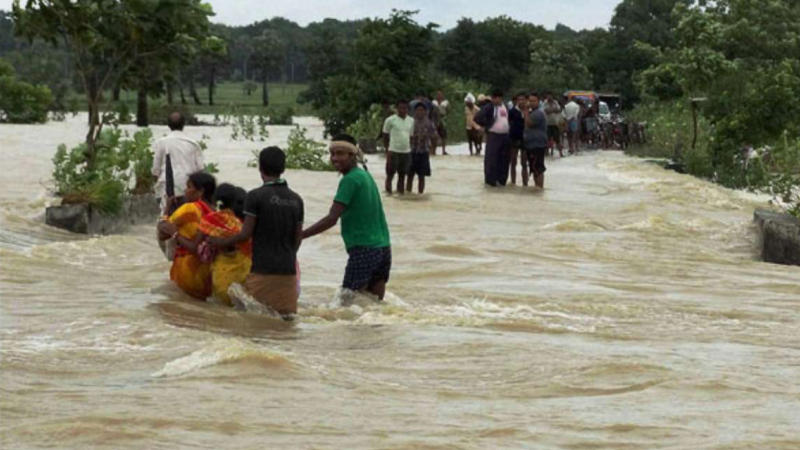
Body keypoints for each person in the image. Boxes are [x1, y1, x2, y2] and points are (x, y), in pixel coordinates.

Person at [208, 147, 304, 318]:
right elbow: (297, 239)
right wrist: (286, 256)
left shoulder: (255, 196)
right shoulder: (297, 199)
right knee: (286, 325)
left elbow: (245, 234)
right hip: (288, 273)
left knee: (256, 324)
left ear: (260, 168)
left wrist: (219, 242)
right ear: (283, 169)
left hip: (263, 271)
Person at [302, 134, 391, 302]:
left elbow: (332, 218)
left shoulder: (350, 180)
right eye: (332, 154)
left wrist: (301, 235)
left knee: (347, 303)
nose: (335, 158)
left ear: (352, 155)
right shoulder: (365, 176)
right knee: (374, 305)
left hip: (364, 249)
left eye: (340, 153)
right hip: (383, 248)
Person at [157, 171, 216, 299]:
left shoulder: (188, 209)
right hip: (208, 273)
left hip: (187, 269)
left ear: (200, 192)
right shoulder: (214, 210)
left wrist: (167, 210)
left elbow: (162, 233)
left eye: (189, 187)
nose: (185, 190)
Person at [197, 183, 252, 306]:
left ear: (215, 200)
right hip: (243, 270)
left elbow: (196, 243)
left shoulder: (210, 219)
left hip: (222, 271)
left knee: (221, 307)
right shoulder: (239, 223)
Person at [151, 112, 205, 210]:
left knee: (165, 217)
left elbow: (155, 171)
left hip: (166, 188)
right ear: (183, 125)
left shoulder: (161, 143)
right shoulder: (193, 144)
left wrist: (155, 188)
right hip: (188, 189)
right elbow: (200, 171)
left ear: (168, 125)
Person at [474, 89, 511, 187]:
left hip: (505, 136)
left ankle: (502, 180)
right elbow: (477, 117)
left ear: (501, 98)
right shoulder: (489, 107)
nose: (496, 100)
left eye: (498, 98)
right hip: (493, 136)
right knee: (491, 159)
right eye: (494, 98)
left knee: (504, 159)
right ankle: (490, 181)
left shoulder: (505, 106)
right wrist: (486, 126)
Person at [382, 99, 414, 195]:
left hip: (406, 151)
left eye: (405, 108)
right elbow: (385, 135)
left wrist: (410, 148)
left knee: (402, 175)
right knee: (390, 174)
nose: (402, 110)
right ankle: (388, 193)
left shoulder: (411, 121)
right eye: (400, 108)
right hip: (393, 150)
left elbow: (411, 136)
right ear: (396, 109)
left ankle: (400, 194)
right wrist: (387, 149)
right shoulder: (390, 120)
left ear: (407, 109)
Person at [408, 102, 437, 194]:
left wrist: (433, 150)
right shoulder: (411, 122)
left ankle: (420, 194)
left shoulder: (429, 123)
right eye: (418, 110)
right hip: (411, 151)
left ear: (425, 112)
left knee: (422, 176)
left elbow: (434, 136)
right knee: (410, 175)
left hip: (424, 152)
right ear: (414, 111)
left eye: (422, 110)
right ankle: (408, 193)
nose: (420, 112)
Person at [523, 92, 548, 189]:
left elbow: (528, 123)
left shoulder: (538, 113)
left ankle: (539, 188)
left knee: (538, 168)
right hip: (532, 144)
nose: (531, 103)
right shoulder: (533, 112)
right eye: (530, 101)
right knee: (535, 168)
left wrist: (525, 111)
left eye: (534, 101)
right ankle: (537, 188)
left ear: (538, 102)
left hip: (537, 145)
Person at [508, 92, 528, 186]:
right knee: (513, 162)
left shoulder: (528, 111)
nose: (521, 101)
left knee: (524, 163)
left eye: (523, 99)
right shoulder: (512, 111)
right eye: (519, 99)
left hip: (525, 139)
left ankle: (525, 184)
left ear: (526, 100)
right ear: (516, 101)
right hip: (514, 138)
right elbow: (508, 124)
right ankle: (513, 183)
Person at [544, 93, 564, 157]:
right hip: (547, 124)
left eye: (550, 96)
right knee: (547, 139)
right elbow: (546, 111)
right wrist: (553, 110)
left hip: (555, 123)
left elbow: (559, 110)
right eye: (548, 96)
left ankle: (561, 153)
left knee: (557, 140)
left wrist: (552, 110)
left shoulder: (556, 102)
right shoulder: (545, 103)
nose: (549, 97)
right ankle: (546, 153)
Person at [432, 90, 449, 156]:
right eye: (438, 94)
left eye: (440, 94)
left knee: (444, 136)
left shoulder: (446, 102)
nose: (439, 96)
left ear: (442, 95)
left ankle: (443, 150)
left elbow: (448, 110)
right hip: (435, 119)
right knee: (434, 135)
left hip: (443, 119)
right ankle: (434, 150)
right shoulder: (433, 102)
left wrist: (444, 115)